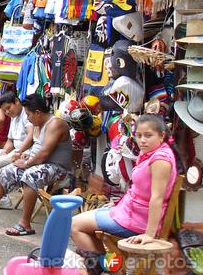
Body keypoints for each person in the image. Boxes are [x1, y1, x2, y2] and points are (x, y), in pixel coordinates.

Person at [70, 114, 179, 271]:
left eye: (148, 135)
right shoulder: (152, 153)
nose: (142, 140)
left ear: (161, 135)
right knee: (80, 223)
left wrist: (149, 234)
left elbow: (157, 199)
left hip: (138, 220)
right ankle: (107, 266)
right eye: (139, 135)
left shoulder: (160, 160)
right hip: (130, 212)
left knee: (75, 225)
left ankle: (104, 267)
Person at [0, 93, 72, 236]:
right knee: (3, 172)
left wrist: (27, 163)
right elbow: (37, 150)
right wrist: (24, 156)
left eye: (28, 114)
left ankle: (25, 224)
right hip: (39, 163)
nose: (27, 118)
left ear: (38, 112)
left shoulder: (55, 123)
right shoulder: (37, 124)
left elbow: (45, 153)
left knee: (29, 176)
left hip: (58, 168)